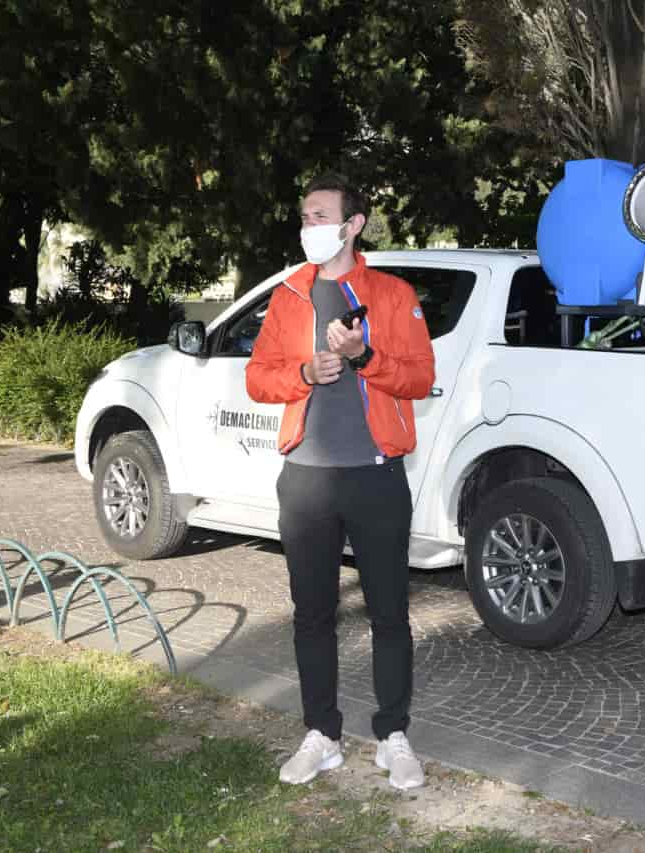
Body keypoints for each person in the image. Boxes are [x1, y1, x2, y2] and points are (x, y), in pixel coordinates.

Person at [246, 172, 436, 790]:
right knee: (312, 614)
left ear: (352, 225)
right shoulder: (289, 297)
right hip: (305, 480)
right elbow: (258, 379)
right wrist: (304, 370)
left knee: (389, 614)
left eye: (321, 216)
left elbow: (418, 377)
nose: (309, 228)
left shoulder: (390, 293)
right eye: (304, 218)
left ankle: (394, 736)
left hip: (376, 477)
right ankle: (321, 735)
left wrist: (364, 359)